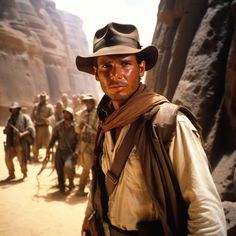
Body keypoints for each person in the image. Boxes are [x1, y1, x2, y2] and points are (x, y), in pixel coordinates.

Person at [76, 22, 227, 236]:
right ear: (96, 73)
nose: (115, 74)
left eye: (125, 64)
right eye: (106, 66)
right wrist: (90, 215)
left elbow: (204, 209)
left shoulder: (169, 123)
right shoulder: (106, 123)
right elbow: (99, 181)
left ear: (141, 69)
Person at [46, 107, 80, 193]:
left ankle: (71, 184)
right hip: (60, 151)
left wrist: (76, 152)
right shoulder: (59, 126)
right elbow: (54, 137)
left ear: (71, 115)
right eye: (64, 113)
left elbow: (79, 141)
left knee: (69, 167)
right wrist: (49, 147)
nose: (66, 115)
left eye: (68, 113)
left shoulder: (75, 127)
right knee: (59, 168)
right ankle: (61, 185)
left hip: (70, 152)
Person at [3, 102, 35, 180]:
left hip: (21, 143)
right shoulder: (10, 119)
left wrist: (22, 134)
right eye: (12, 109)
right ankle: (11, 174)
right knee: (7, 159)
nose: (13, 110)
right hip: (11, 143)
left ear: (18, 109)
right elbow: (6, 129)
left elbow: (30, 128)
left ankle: (24, 173)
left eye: (15, 109)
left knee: (22, 160)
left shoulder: (25, 117)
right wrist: (6, 131)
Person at [76, 94, 98, 197]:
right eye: (86, 102)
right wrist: (80, 127)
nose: (88, 104)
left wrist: (91, 131)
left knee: (96, 167)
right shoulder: (82, 114)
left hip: (96, 145)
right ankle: (80, 188)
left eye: (90, 101)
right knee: (87, 166)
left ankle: (94, 190)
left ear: (93, 102)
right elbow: (77, 130)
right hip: (85, 144)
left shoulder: (98, 113)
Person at [31, 91, 54, 162]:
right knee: (35, 143)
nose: (42, 100)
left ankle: (47, 156)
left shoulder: (49, 107)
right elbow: (32, 116)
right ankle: (35, 157)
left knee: (48, 143)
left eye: (44, 98)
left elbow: (52, 116)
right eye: (41, 98)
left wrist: (47, 120)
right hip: (37, 127)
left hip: (45, 127)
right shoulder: (35, 106)